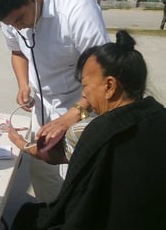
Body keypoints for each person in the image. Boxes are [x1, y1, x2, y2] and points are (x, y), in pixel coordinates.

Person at [12, 30, 166, 230]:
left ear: (109, 86)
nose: (83, 93)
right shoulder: (159, 118)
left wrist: (23, 145)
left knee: (26, 216)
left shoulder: (90, 132)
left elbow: (50, 154)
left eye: (85, 85)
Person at [0, 0, 109, 203]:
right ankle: (51, 216)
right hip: (42, 107)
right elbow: (17, 51)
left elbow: (102, 73)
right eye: (11, 24)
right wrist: (23, 84)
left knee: (79, 175)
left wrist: (74, 114)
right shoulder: (13, 17)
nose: (17, 28)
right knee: (42, 170)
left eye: (19, 20)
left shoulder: (77, 10)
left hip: (81, 104)